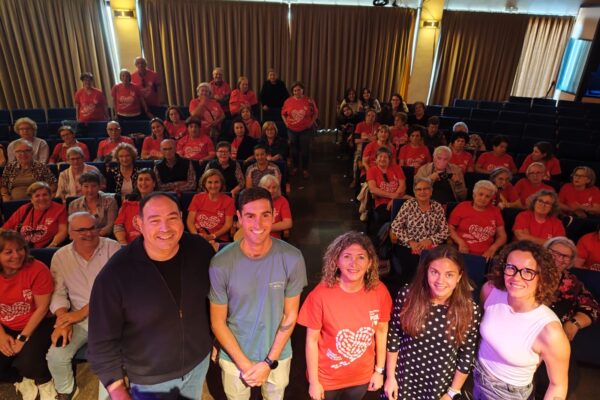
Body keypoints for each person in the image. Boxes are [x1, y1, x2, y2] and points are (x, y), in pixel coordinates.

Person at [88, 193, 215, 400]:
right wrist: (118, 390)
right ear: (139, 224)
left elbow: (213, 301)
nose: (165, 228)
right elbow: (101, 341)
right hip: (151, 380)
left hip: (198, 364)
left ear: (181, 218)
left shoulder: (200, 250)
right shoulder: (114, 275)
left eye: (172, 218)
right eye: (155, 220)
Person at [209, 187, 307, 400]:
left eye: (265, 215)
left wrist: (268, 362)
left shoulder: (292, 258)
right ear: (239, 218)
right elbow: (217, 322)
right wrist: (244, 364)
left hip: (277, 354)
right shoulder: (221, 263)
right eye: (250, 216)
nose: (258, 224)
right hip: (234, 355)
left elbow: (290, 315)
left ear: (273, 216)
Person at [298, 232, 392, 400]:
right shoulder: (320, 295)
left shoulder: (380, 291)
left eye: (361, 257)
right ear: (336, 261)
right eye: (347, 256)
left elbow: (382, 331)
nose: (353, 263)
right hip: (327, 380)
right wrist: (314, 382)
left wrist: (379, 371)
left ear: (370, 263)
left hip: (362, 378)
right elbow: (311, 341)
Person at [383, 245, 481, 400]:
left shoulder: (469, 310)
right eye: (434, 272)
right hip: (403, 378)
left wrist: (452, 392)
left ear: (459, 277)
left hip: (439, 385)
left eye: (449, 274)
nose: (440, 281)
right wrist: (390, 377)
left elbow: (467, 354)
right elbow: (394, 336)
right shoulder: (408, 295)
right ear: (426, 272)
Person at [474, 241, 569, 400]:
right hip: (477, 375)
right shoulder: (490, 290)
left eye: (527, 271)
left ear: (542, 277)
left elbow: (557, 385)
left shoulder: (550, 331)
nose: (516, 277)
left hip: (508, 394)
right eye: (511, 268)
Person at [46, 212, 121, 399]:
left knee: (106, 359)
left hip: (113, 317)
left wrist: (80, 313)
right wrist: (64, 320)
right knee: (56, 356)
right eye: (81, 230)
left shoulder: (114, 248)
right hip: (78, 321)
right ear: (70, 233)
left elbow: (117, 291)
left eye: (92, 228)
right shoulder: (60, 256)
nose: (88, 233)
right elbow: (58, 292)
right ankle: (67, 390)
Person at [534, 237, 600, 398]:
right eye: (555, 253)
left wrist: (574, 323)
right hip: (529, 334)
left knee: (563, 381)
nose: (559, 259)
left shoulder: (572, 282)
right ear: (545, 252)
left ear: (570, 261)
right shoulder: (530, 272)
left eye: (565, 257)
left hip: (556, 340)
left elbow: (592, 306)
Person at [0, 230, 57, 400]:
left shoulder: (37, 269)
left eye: (20, 249)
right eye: (8, 252)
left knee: (28, 363)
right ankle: (20, 379)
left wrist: (22, 338)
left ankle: (44, 381)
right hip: (6, 324)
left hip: (38, 322)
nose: (17, 255)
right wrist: (1, 335)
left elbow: (42, 308)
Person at [390, 177, 449, 283]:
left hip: (430, 246)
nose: (422, 192)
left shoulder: (437, 207)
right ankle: (410, 289)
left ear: (431, 191)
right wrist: (410, 241)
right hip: (408, 246)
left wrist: (430, 240)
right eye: (419, 189)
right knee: (411, 270)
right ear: (414, 192)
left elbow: (444, 231)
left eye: (426, 189)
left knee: (431, 269)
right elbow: (396, 226)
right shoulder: (408, 205)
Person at [448, 180, 507, 260]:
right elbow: (450, 228)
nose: (483, 198)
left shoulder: (495, 211)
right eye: (480, 194)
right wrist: (460, 242)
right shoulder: (462, 207)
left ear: (491, 198)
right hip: (460, 250)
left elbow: (502, 236)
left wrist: (492, 249)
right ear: (474, 195)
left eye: (487, 196)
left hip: (485, 254)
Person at [2, 182, 67, 248]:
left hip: (46, 249)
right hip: (20, 249)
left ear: (50, 196)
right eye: (37, 196)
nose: (41, 198)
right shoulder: (24, 209)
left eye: (45, 195)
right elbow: (4, 229)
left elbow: (63, 231)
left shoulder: (59, 209)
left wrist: (52, 245)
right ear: (31, 199)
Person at [366, 147, 406, 246]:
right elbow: (373, 189)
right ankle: (383, 243)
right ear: (376, 159)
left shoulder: (396, 168)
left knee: (406, 218)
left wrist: (394, 199)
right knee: (387, 218)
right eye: (380, 156)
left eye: (385, 157)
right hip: (382, 202)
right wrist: (392, 195)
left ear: (389, 159)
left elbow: (402, 185)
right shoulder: (372, 170)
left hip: (399, 199)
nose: (382, 159)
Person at [186, 169, 235, 244]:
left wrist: (212, 236)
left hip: (218, 239)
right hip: (198, 237)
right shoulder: (197, 198)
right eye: (209, 182)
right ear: (204, 184)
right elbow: (190, 221)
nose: (213, 186)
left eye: (216, 182)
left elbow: (228, 225)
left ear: (221, 183)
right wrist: (197, 237)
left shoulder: (229, 201)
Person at [282, 81, 318, 178]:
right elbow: (283, 114)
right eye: (295, 90)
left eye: (299, 90)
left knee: (305, 150)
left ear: (303, 90)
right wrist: (286, 124)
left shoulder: (309, 101)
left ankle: (305, 169)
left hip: (305, 130)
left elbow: (315, 113)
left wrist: (311, 123)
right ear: (292, 91)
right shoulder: (288, 101)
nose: (297, 92)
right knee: (294, 150)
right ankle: (295, 167)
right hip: (292, 130)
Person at [113, 169, 157, 245]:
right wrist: (123, 243)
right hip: (129, 245)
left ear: (154, 183)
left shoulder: (162, 203)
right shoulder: (128, 202)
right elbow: (118, 226)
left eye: (147, 179)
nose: (143, 183)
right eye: (140, 179)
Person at [68, 172, 118, 237]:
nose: (90, 190)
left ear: (99, 186)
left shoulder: (109, 201)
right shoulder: (73, 205)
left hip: (103, 237)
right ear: (81, 187)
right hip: (81, 238)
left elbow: (110, 226)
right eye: (86, 186)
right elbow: (72, 229)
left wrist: (93, 236)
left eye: (94, 186)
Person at [259, 174, 292, 240]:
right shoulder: (255, 200)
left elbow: (288, 223)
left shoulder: (282, 200)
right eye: (268, 187)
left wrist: (266, 228)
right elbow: (239, 223)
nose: (271, 191)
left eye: (274, 187)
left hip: (273, 239)